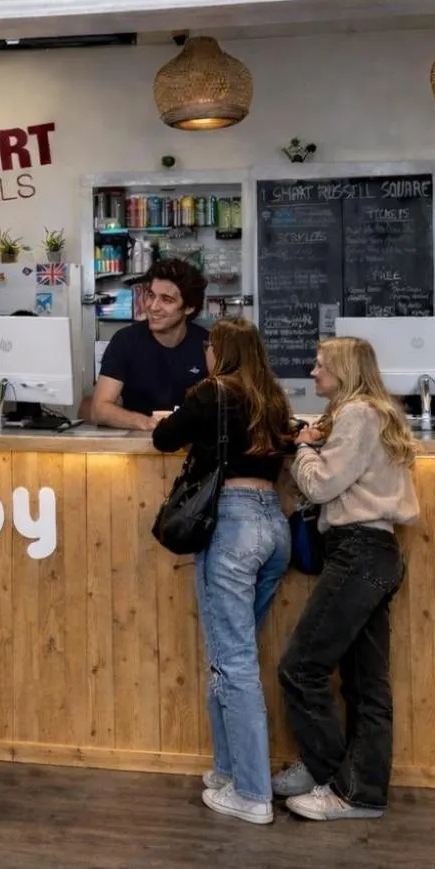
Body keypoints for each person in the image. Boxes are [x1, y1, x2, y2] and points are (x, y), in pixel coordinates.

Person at [152, 318, 294, 825]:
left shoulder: (213, 393)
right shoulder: (273, 398)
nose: (206, 352)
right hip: (274, 527)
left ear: (221, 352)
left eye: (210, 346)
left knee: (232, 662)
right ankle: (229, 771)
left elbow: (164, 437)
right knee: (228, 654)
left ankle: (253, 794)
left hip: (231, 527)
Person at [275, 336, 420, 821]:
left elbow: (320, 484)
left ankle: (331, 774)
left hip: (357, 552)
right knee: (364, 684)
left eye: (321, 366)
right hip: (376, 553)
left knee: (300, 667)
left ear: (344, 370)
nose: (313, 373)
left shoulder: (357, 414)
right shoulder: (373, 411)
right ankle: (361, 791)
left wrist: (301, 448)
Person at [90, 258, 209, 431]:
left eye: (166, 300)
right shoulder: (125, 341)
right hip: (136, 446)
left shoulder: (207, 345)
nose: (153, 306)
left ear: (189, 308)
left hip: (192, 447)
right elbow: (99, 409)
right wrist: (148, 423)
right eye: (151, 295)